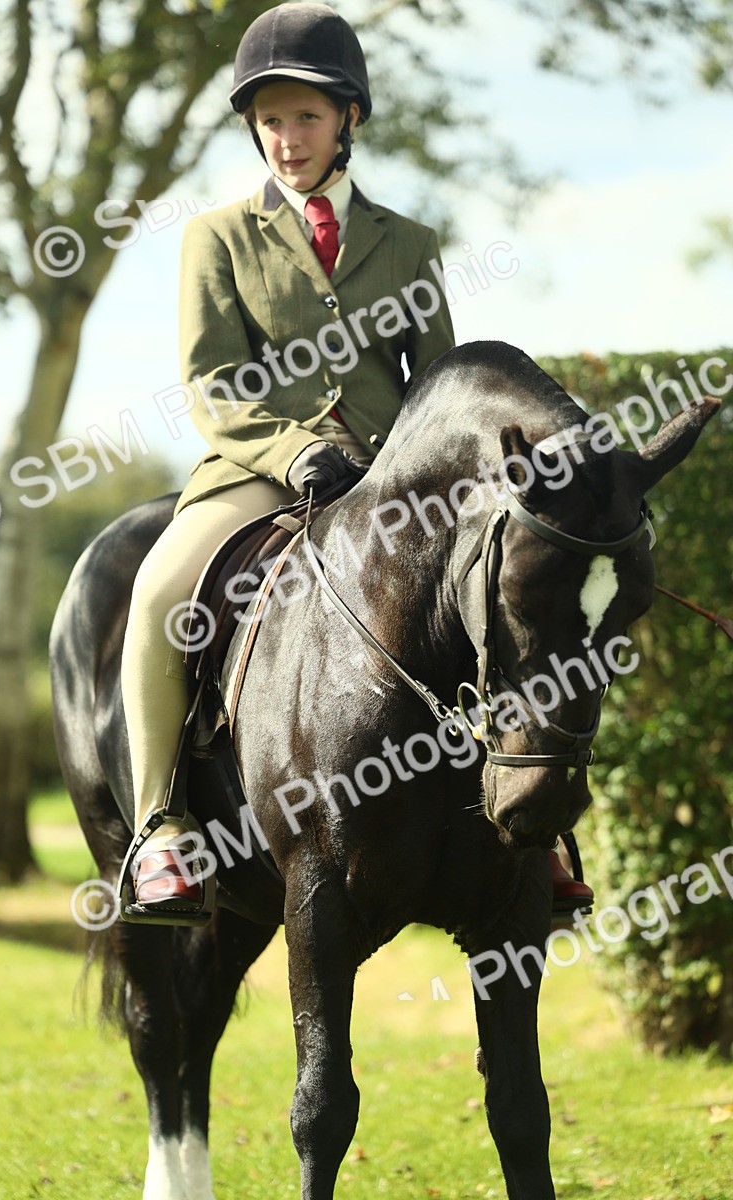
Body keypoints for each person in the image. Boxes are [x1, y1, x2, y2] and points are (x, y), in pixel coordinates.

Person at [120, 1, 593, 922]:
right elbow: (212, 383)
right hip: (258, 474)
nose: (286, 139)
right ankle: (159, 828)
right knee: (156, 598)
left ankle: (539, 835)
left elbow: (445, 388)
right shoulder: (217, 237)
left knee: (510, 593)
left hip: (391, 485)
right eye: (270, 121)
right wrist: (296, 450)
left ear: (349, 119)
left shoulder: (409, 243)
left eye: (305, 117)